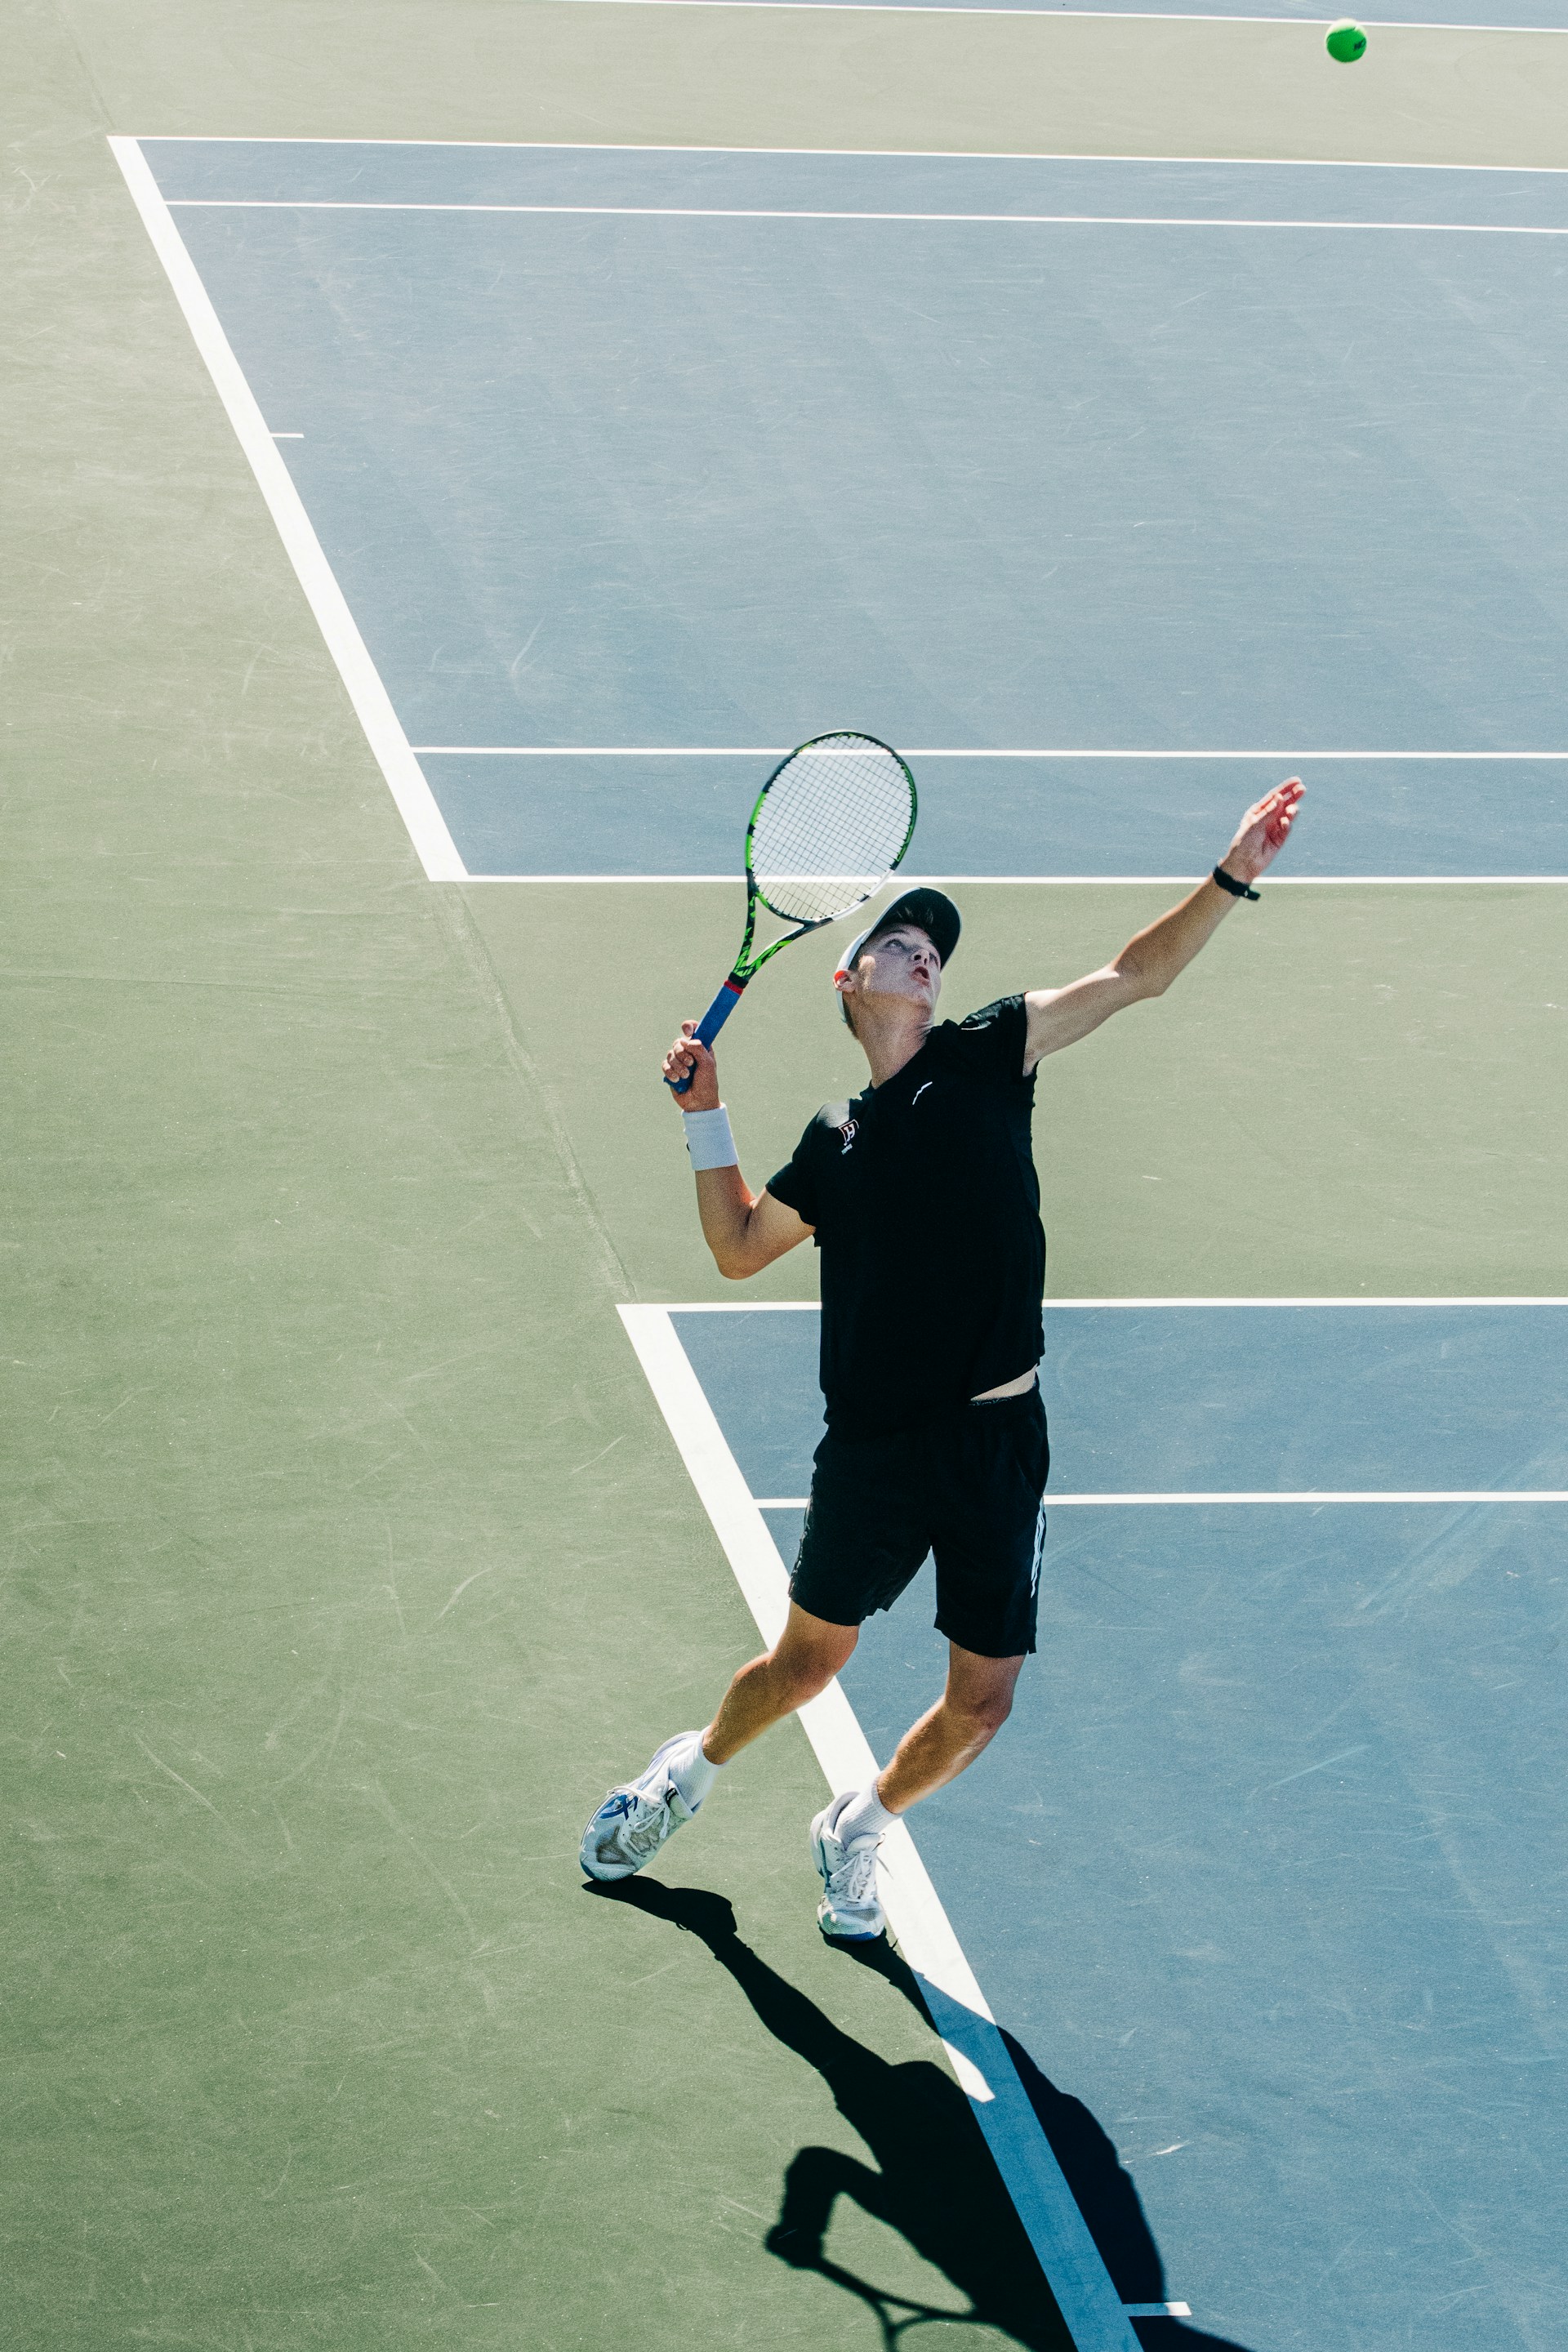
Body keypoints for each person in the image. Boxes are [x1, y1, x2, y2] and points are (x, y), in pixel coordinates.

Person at [581, 780, 1304, 1940]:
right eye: (901, 947)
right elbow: (738, 1248)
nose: (925, 962)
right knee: (807, 1663)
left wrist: (1229, 877)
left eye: (934, 954)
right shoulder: (835, 1139)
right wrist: (703, 1113)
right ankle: (688, 1772)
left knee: (983, 1704)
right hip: (875, 1445)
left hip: (997, 1439)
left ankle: (858, 1825)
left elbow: (1136, 976)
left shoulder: (989, 1055)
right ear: (847, 978)